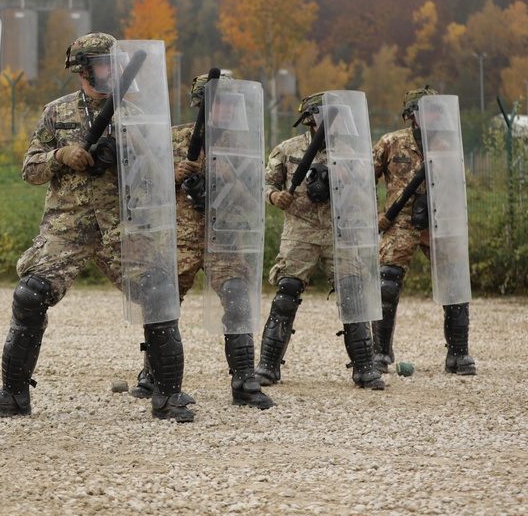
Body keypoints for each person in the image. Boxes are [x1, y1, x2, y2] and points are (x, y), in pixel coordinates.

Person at [0, 32, 195, 423]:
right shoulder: (56, 113)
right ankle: (13, 395)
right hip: (68, 226)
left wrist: (133, 157)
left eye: (115, 63)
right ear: (82, 69)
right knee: (30, 297)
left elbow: (160, 173)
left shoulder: (139, 112)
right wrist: (63, 155)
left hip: (124, 226)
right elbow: (30, 170)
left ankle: (168, 395)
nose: (111, 70)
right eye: (102, 63)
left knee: (159, 294)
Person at [131, 73, 272, 409]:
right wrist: (171, 174)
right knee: (162, 305)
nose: (223, 111)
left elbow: (255, 201)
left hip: (224, 239)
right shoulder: (172, 139)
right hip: (178, 240)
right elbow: (138, 185)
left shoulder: (242, 149)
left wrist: (227, 177)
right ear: (201, 105)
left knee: (238, 300)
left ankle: (244, 381)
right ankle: (153, 375)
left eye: (229, 104)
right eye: (216, 103)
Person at [254, 92, 386, 390]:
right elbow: (264, 183)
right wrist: (276, 196)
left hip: (340, 232)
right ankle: (268, 366)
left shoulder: (351, 152)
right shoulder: (287, 150)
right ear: (311, 118)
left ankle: (365, 367)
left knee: (352, 294)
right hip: (300, 231)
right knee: (287, 293)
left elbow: (367, 191)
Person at [372, 87, 476, 375]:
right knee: (387, 284)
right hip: (400, 222)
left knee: (454, 281)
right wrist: (376, 214)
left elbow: (458, 186)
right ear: (411, 115)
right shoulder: (391, 142)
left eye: (434, 110)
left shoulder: (447, 144)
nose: (430, 115)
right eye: (423, 110)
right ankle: (380, 352)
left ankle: (459, 353)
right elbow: (362, 179)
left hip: (439, 220)